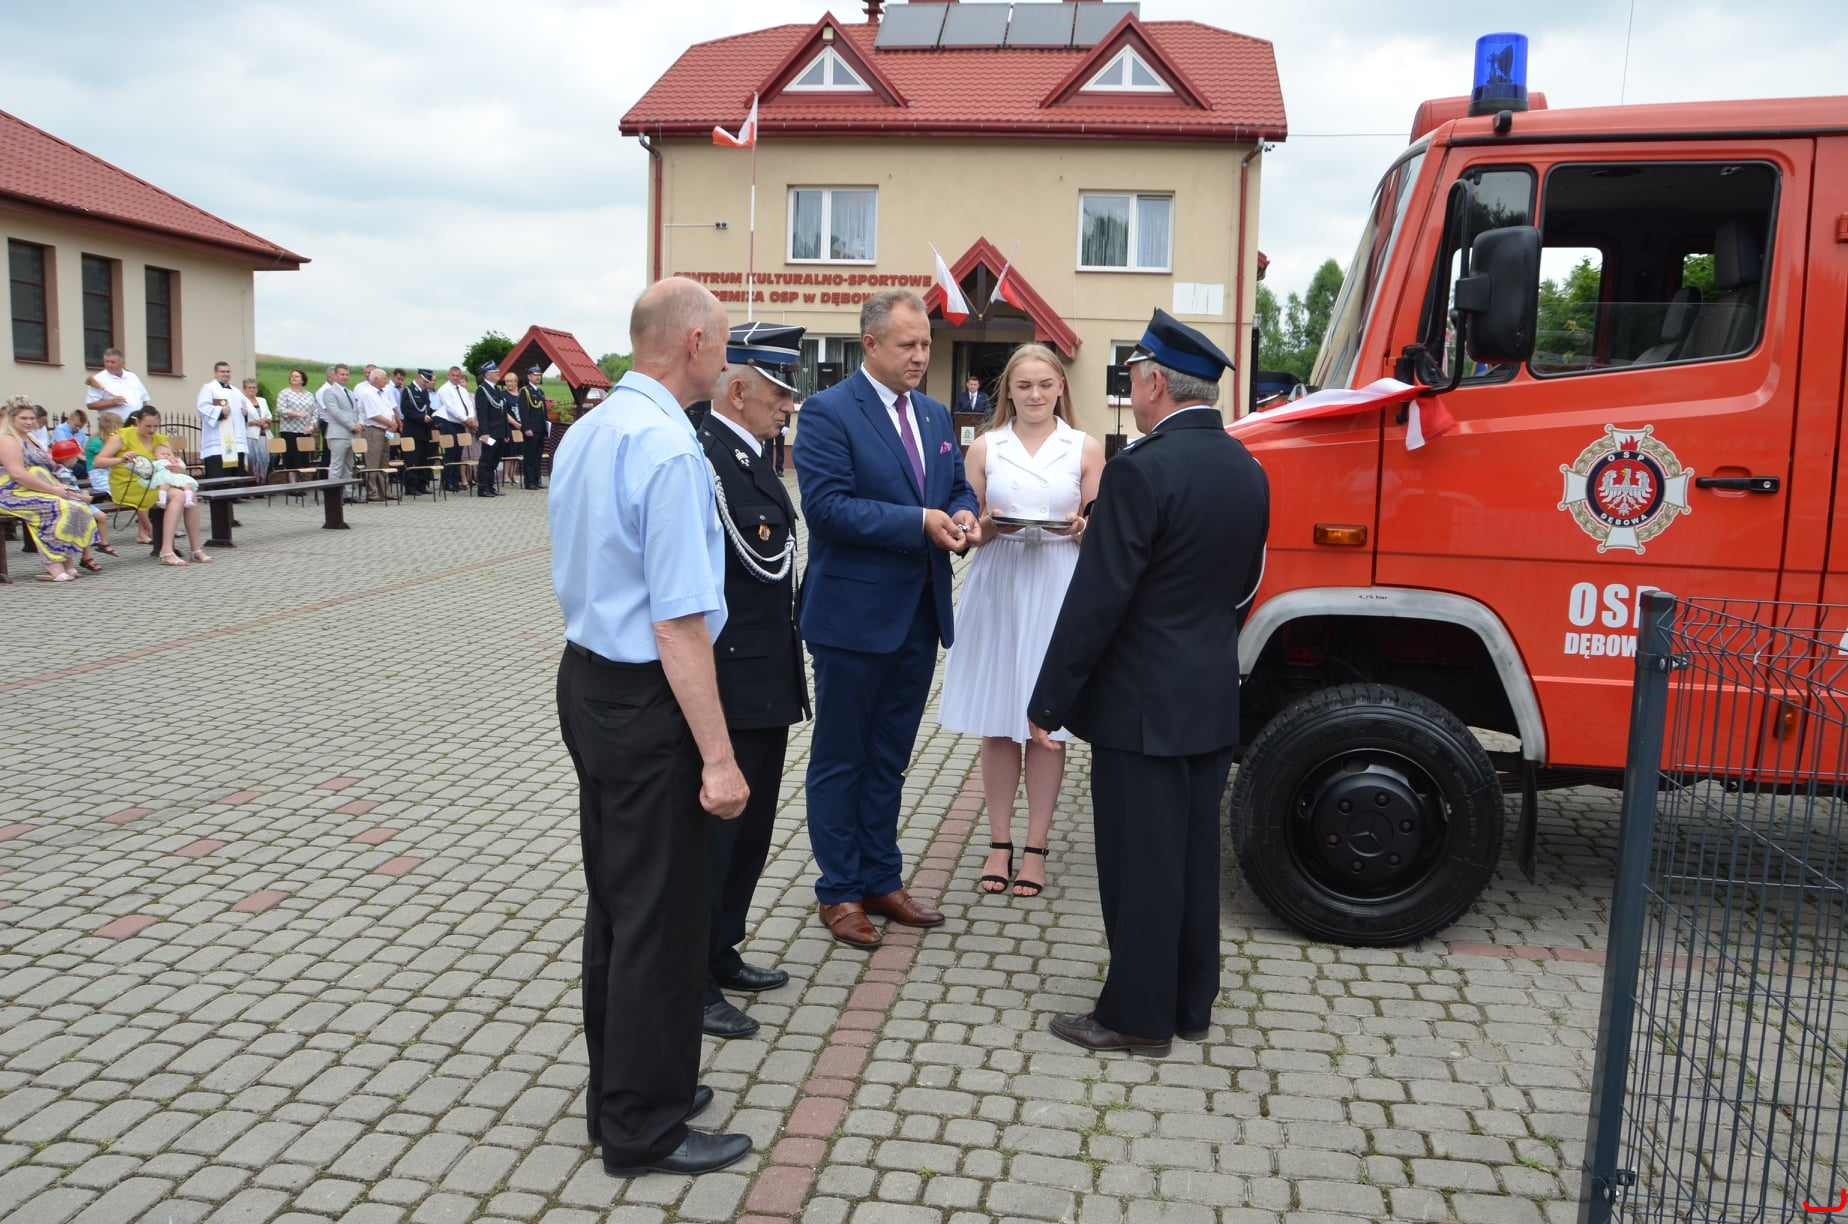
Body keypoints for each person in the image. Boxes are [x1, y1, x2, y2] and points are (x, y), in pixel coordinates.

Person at [548, 276, 751, 1178]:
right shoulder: (667, 447)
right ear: (695, 342)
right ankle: (643, 1128)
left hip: (590, 681)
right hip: (647, 697)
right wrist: (719, 757)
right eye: (725, 340)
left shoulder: (593, 428)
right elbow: (677, 623)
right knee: (659, 919)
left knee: (620, 905)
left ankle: (628, 1088)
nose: (728, 356)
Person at [1028, 308, 1269, 1057]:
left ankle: (1136, 1016)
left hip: (1140, 706)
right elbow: (1245, 586)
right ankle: (1191, 1001)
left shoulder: (1139, 470)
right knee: (1191, 860)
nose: (1129, 391)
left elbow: (1097, 602)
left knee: (1140, 865)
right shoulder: (1248, 467)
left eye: (1132, 377)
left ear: (1157, 383)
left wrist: (1048, 700)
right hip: (1207, 695)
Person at [793, 289, 979, 949]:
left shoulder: (933, 414)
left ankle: (881, 879)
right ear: (870, 345)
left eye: (926, 344)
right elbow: (827, 509)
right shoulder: (827, 412)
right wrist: (918, 521)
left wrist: (964, 511)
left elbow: (954, 486)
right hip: (852, 620)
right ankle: (839, 890)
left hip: (917, 617)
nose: (921, 356)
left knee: (889, 759)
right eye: (908, 345)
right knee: (842, 758)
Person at [939, 344, 1102, 898]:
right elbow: (970, 526)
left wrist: (1081, 529)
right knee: (999, 719)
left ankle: (1036, 845)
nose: (1035, 395)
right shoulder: (987, 445)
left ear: (1061, 388)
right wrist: (984, 527)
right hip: (1001, 583)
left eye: (1045, 385)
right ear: (1008, 389)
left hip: (1057, 582)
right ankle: (998, 841)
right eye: (1024, 385)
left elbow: (1099, 528)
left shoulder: (1084, 447)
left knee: (1046, 725)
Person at [696, 322, 811, 1040]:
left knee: (752, 831)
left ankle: (722, 948)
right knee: (716, 843)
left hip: (765, 676)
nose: (789, 405)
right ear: (737, 391)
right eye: (778, 392)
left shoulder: (746, 456)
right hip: (731, 685)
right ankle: (694, 978)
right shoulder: (708, 458)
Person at [0, 398, 97, 582]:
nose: (29, 422)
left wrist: (59, 485)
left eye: (31, 418)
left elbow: (48, 466)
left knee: (77, 506)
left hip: (35, 489)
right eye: (23, 418)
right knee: (56, 507)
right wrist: (52, 490)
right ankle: (52, 563)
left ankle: (67, 562)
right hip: (10, 494)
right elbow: (18, 474)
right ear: (12, 419)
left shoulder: (29, 438)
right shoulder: (8, 440)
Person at [196, 361, 251, 479]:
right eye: (222, 371)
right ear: (215, 373)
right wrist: (220, 411)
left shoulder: (236, 391)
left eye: (228, 371)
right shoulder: (209, 388)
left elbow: (245, 409)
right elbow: (202, 407)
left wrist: (245, 413)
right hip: (218, 442)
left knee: (238, 476)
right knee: (219, 476)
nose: (225, 374)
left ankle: (236, 491)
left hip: (237, 441)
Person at [318, 364, 362, 501]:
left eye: (347, 374)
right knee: (336, 465)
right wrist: (351, 425)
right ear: (335, 375)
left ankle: (347, 494)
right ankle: (334, 496)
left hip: (351, 434)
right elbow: (335, 412)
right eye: (342, 374)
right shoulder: (329, 392)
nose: (345, 377)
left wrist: (359, 423)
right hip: (339, 433)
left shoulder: (350, 392)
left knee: (349, 465)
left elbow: (357, 410)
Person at [356, 366, 399, 502]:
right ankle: (372, 492)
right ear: (375, 379)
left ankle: (385, 490)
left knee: (384, 461)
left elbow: (390, 410)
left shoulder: (384, 392)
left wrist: (393, 423)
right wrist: (391, 423)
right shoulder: (368, 393)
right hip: (373, 430)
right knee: (373, 462)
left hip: (386, 430)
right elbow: (373, 414)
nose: (386, 381)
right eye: (384, 378)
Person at [433, 367, 473, 492]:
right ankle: (448, 482)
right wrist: (464, 419)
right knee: (450, 453)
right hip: (449, 423)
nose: (455, 378)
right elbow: (450, 408)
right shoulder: (444, 389)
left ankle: (456, 480)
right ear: (448, 376)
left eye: (458, 376)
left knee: (458, 454)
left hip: (461, 424)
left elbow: (469, 405)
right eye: (453, 375)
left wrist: (470, 417)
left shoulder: (462, 390)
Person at [84, 347, 153, 419]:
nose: (109, 365)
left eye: (112, 362)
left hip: (135, 422)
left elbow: (144, 400)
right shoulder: (98, 379)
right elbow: (91, 404)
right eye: (106, 362)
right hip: (113, 423)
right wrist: (112, 402)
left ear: (122, 363)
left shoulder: (132, 376)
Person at [473, 362, 510, 497]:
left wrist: (506, 432)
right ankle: (483, 488)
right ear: (487, 375)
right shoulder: (482, 390)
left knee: (494, 460)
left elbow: (503, 412)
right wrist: (484, 433)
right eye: (495, 372)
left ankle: (490, 486)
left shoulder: (496, 389)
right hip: (490, 432)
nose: (498, 373)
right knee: (486, 460)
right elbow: (482, 414)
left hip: (499, 431)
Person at [399, 369, 438, 495]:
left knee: (423, 460)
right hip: (413, 431)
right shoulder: (408, 391)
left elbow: (426, 408)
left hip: (424, 431)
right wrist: (421, 417)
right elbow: (406, 410)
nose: (426, 384)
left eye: (427, 382)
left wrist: (436, 414)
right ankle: (411, 487)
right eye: (425, 381)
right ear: (418, 377)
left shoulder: (424, 391)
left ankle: (422, 484)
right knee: (412, 459)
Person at [276, 369, 317, 473]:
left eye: (297, 376)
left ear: (303, 380)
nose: (293, 378)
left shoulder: (309, 395)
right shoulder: (285, 393)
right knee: (292, 461)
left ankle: (303, 481)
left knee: (304, 460)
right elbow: (281, 409)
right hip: (289, 431)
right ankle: (292, 482)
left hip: (304, 431)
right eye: (292, 376)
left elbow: (315, 412)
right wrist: (297, 413)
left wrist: (311, 426)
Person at [519, 365, 549, 489]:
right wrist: (527, 428)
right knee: (530, 456)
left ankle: (536, 480)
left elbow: (543, 411)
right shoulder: (525, 391)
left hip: (540, 428)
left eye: (539, 375)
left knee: (537, 456)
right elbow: (523, 411)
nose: (537, 377)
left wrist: (546, 427)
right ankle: (529, 481)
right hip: (531, 429)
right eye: (535, 375)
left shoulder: (540, 392)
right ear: (529, 377)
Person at [84, 411, 122, 500]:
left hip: (109, 472)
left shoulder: (108, 440)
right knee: (116, 491)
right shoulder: (97, 441)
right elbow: (104, 460)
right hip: (98, 474)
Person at [242, 379, 273, 483]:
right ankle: (252, 483)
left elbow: (269, 416)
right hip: (250, 434)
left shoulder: (262, 400)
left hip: (264, 434)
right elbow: (241, 419)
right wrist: (255, 422)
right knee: (252, 460)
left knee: (264, 460)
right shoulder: (242, 401)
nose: (252, 389)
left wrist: (265, 421)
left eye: (254, 387)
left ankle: (262, 482)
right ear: (244, 389)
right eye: (249, 387)